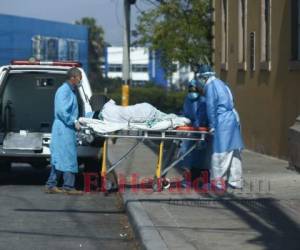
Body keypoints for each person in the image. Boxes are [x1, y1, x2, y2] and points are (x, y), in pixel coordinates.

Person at [198, 64, 244, 190]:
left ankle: (218, 183)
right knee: (234, 151)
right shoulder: (222, 83)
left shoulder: (210, 86)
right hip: (233, 118)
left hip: (223, 121)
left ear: (203, 78)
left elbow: (211, 107)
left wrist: (212, 125)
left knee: (220, 153)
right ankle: (236, 181)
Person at [45, 67, 83, 195]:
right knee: (68, 156)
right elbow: (62, 111)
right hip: (64, 127)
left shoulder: (70, 91)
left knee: (61, 156)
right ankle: (68, 186)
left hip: (65, 127)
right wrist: (73, 120)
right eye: (79, 77)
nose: (80, 80)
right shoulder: (64, 91)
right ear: (73, 77)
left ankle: (52, 184)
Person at [180, 79, 209, 188]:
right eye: (190, 90)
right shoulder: (188, 99)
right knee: (186, 155)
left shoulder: (203, 101)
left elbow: (202, 117)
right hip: (190, 130)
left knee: (201, 157)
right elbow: (185, 113)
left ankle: (202, 180)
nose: (192, 92)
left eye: (194, 89)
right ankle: (187, 179)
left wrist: (198, 125)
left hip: (201, 130)